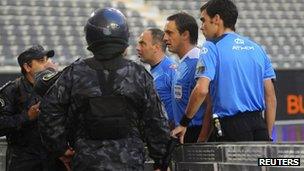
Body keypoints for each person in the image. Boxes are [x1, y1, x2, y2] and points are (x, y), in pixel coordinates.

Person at [38, 8, 171, 171]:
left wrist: (60, 148)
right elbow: (156, 120)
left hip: (86, 161)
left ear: (90, 37)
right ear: (124, 36)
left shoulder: (75, 73)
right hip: (129, 162)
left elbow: (48, 109)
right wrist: (160, 159)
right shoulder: (138, 74)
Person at [171, 0, 277, 142]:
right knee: (261, 163)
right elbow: (270, 97)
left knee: (234, 165)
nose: (202, 27)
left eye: (204, 20)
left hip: (231, 127)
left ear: (216, 19)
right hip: (259, 126)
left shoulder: (210, 47)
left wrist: (184, 123)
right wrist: (268, 136)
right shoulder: (257, 48)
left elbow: (202, 90)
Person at [0, 45, 65, 171]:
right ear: (27, 67)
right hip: (23, 160)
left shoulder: (59, 87)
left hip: (53, 159)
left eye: (47, 60)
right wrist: (27, 116)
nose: (47, 64)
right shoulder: (12, 90)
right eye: (41, 61)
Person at [163, 12, 210, 143]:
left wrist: (202, 139)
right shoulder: (183, 62)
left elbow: (210, 104)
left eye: (169, 33)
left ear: (185, 35)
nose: (164, 38)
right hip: (183, 132)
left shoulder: (198, 62)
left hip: (195, 133)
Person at [136, 28, 176, 128]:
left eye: (142, 44)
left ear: (156, 48)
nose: (137, 48)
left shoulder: (171, 72)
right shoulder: (151, 71)